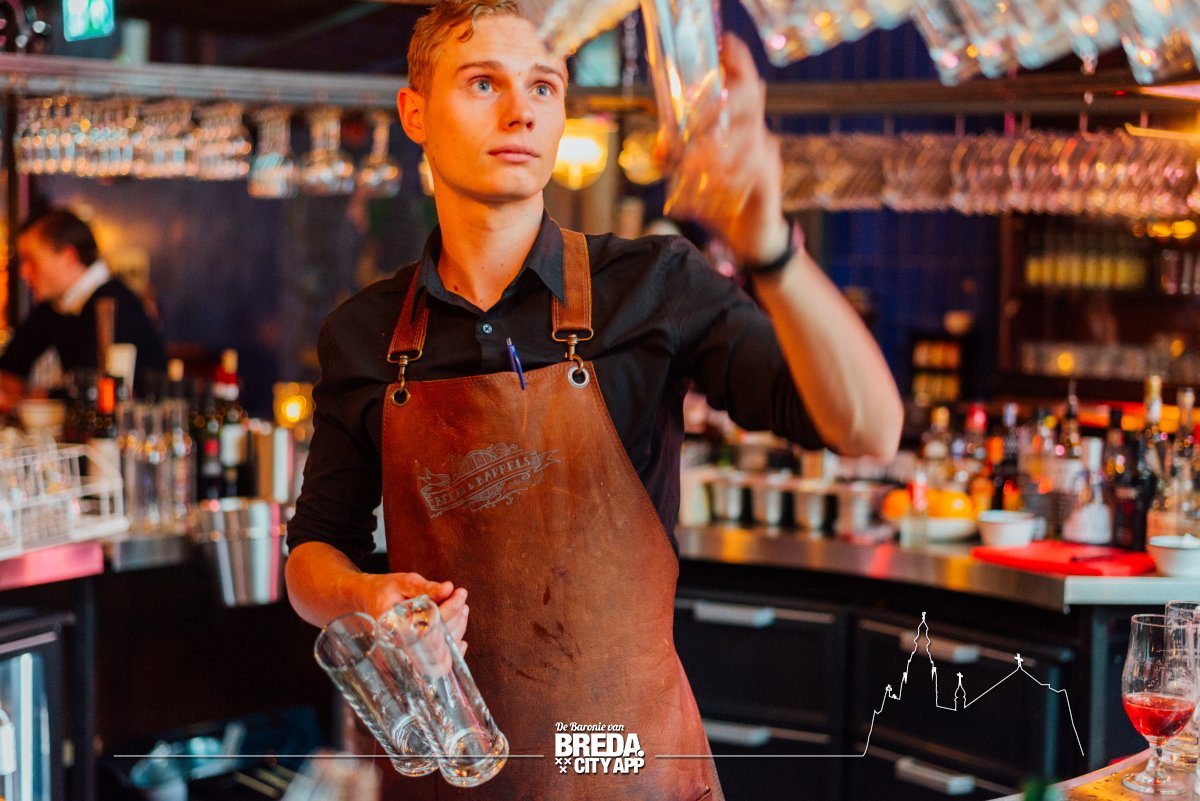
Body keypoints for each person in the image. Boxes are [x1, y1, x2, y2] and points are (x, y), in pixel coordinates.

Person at [285, 2, 903, 799]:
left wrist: (771, 250)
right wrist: (363, 595)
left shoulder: (651, 286)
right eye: (484, 83)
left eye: (544, 86)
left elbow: (869, 429)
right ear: (415, 114)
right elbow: (311, 556)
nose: (521, 111)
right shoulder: (365, 334)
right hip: (450, 780)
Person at [0, 210, 166, 408]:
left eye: (31, 260)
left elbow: (93, 391)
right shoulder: (54, 306)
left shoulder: (112, 302)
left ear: (68, 256)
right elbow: (10, 368)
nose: (23, 272)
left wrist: (27, 397)